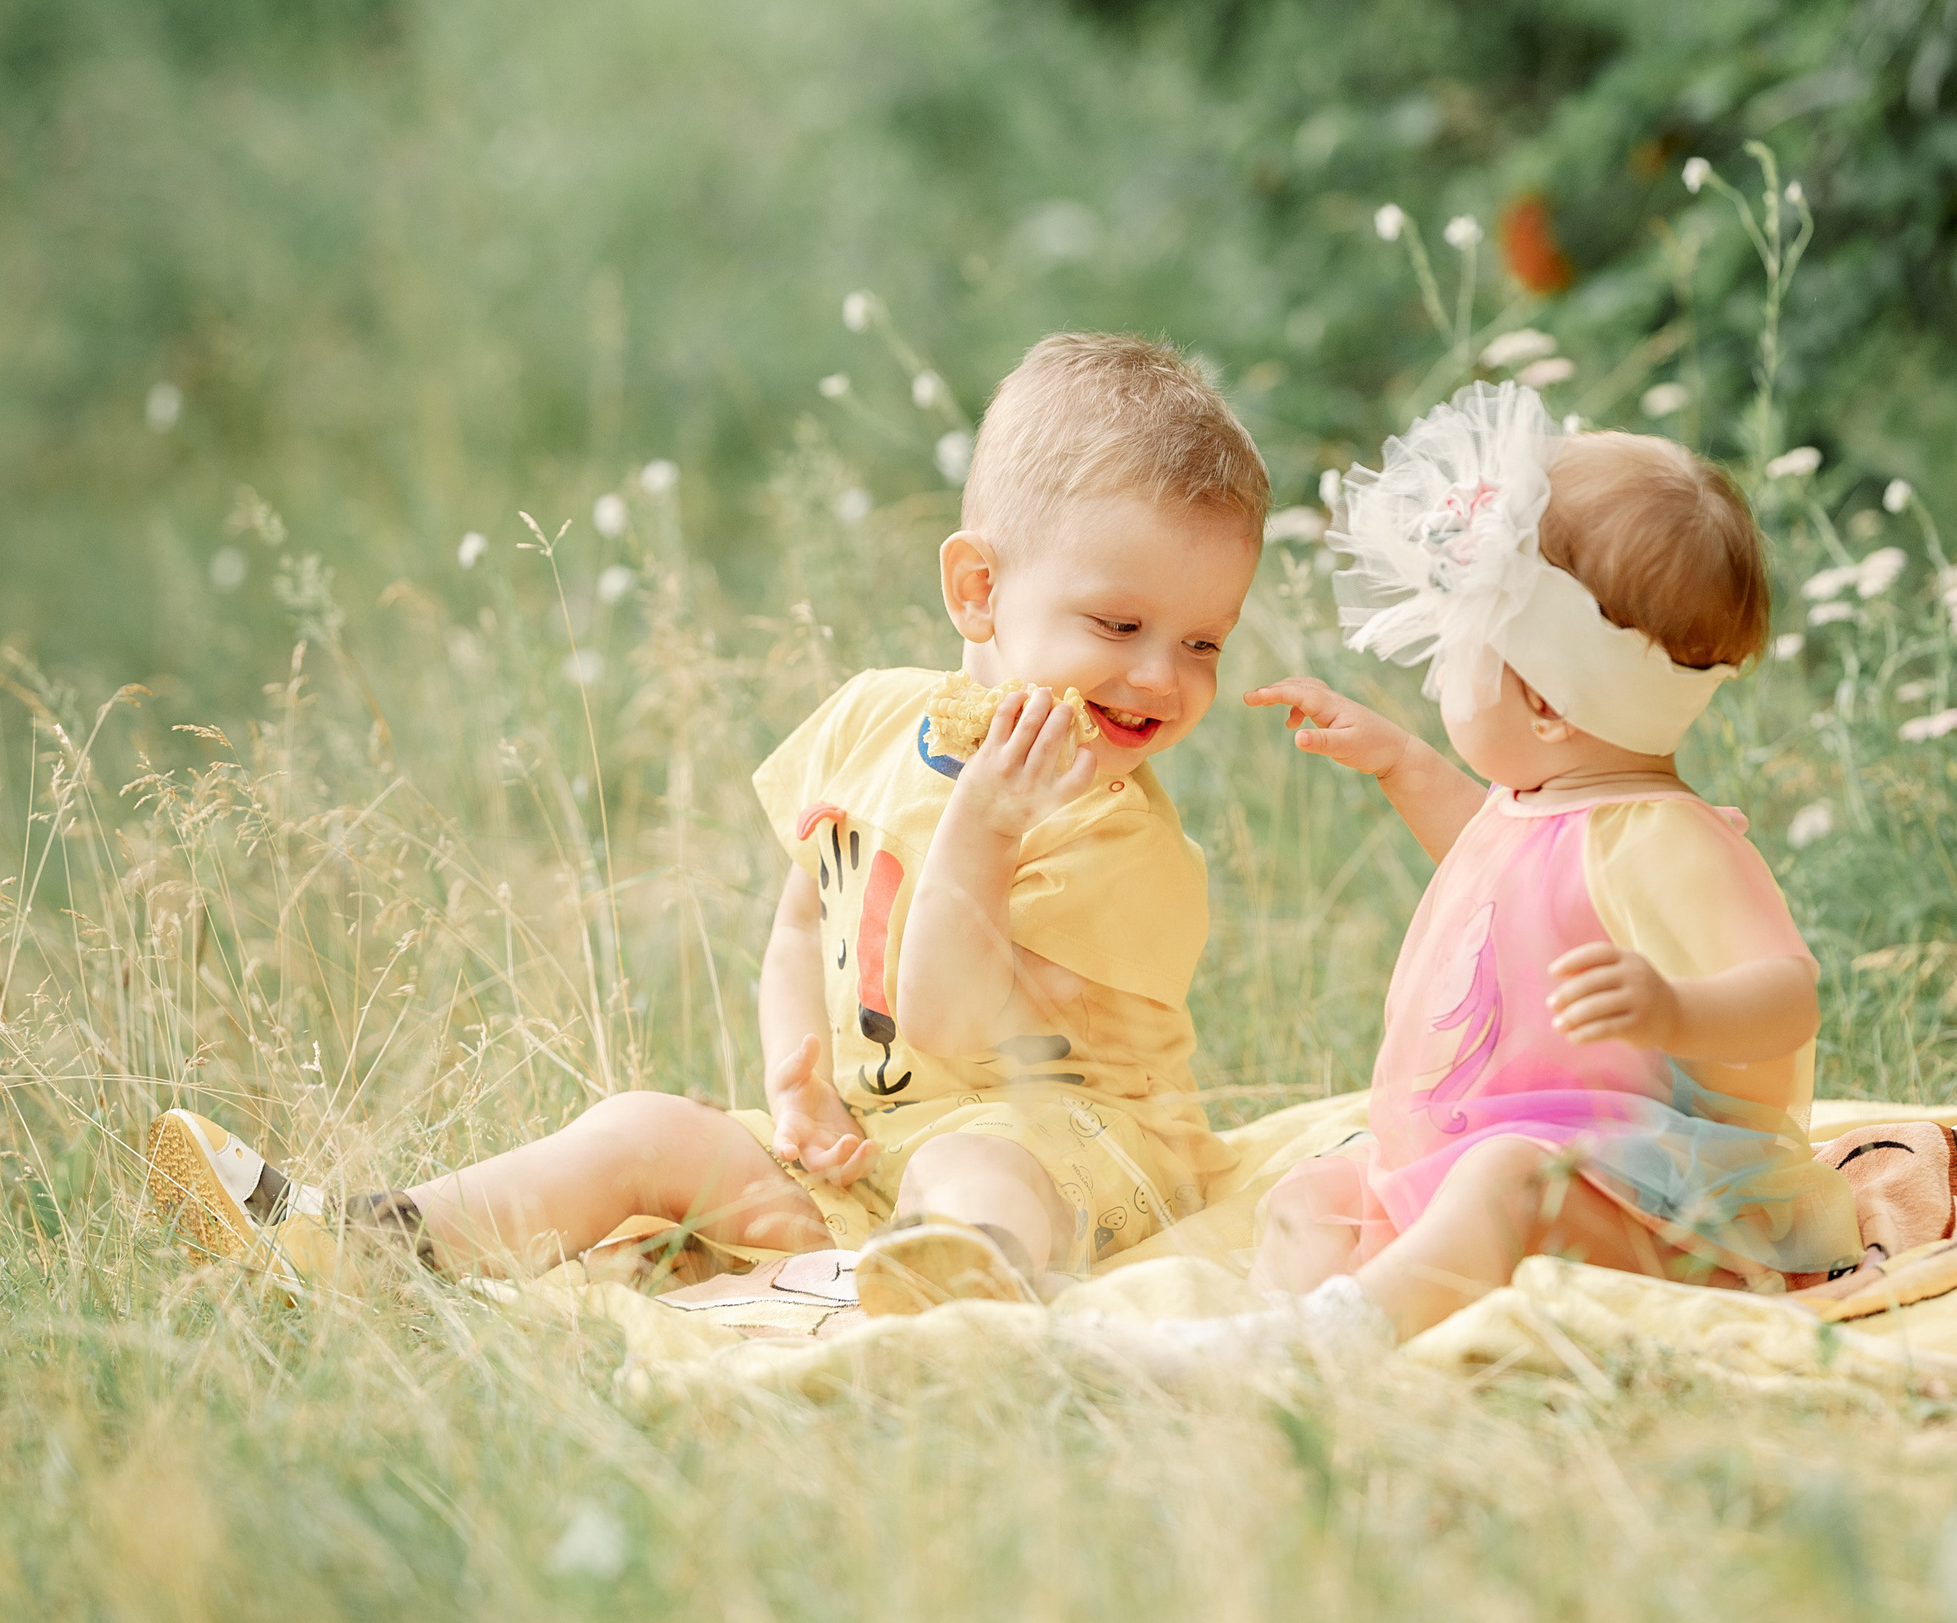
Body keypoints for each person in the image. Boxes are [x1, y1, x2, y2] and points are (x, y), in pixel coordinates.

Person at [144, 332, 1269, 1314]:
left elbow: (944, 1017)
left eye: (1202, 642)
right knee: (645, 1128)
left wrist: (983, 824)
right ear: (977, 590)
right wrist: (795, 1079)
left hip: (1072, 1159)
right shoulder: (872, 721)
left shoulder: (1122, 841)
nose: (1159, 676)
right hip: (872, 1160)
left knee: (977, 1165)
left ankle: (958, 1297)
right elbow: (801, 925)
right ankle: (358, 1243)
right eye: (1117, 624)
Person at [1086, 382, 1861, 1366]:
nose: (1437, 671)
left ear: (1544, 703)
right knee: (1316, 1193)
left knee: (1502, 1182)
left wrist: (1673, 1008)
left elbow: (1787, 993)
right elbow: (1501, 882)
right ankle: (1273, 1343)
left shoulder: (1665, 839)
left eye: (1457, 649)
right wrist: (1401, 763)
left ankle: (1346, 1330)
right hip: (1479, 1155)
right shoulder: (1533, 802)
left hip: (1656, 1210)